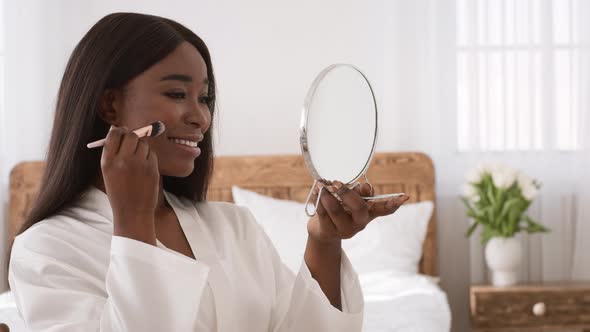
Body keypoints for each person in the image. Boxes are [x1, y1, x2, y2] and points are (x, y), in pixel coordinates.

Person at [8, 12, 409, 331]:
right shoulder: (46, 249)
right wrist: (132, 222)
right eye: (177, 94)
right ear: (109, 106)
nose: (200, 117)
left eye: (205, 98)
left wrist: (324, 242)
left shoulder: (234, 227)